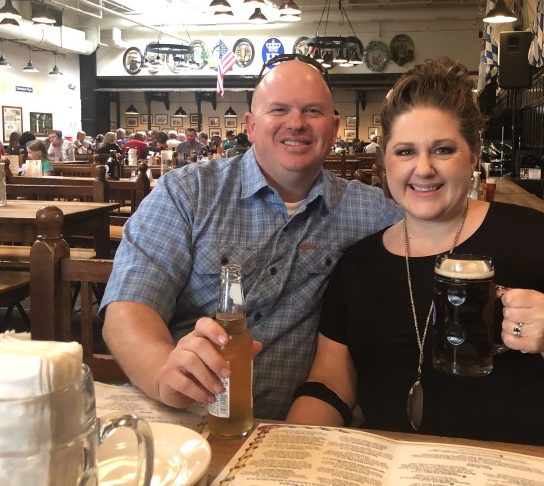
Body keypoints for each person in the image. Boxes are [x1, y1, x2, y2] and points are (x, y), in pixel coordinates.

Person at [286, 58, 544, 454]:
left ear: (473, 155)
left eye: (442, 149)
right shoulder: (357, 265)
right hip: (402, 471)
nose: (423, 169)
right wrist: (287, 453)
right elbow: (331, 383)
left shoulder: (543, 240)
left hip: (540, 468)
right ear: (384, 160)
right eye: (405, 151)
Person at [100, 56, 404, 420]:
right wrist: (163, 370)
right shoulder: (188, 192)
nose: (296, 123)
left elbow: (441, 235)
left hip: (292, 429)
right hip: (185, 418)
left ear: (334, 128)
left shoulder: (374, 213)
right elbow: (128, 308)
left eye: (312, 111)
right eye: (279, 109)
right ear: (251, 126)